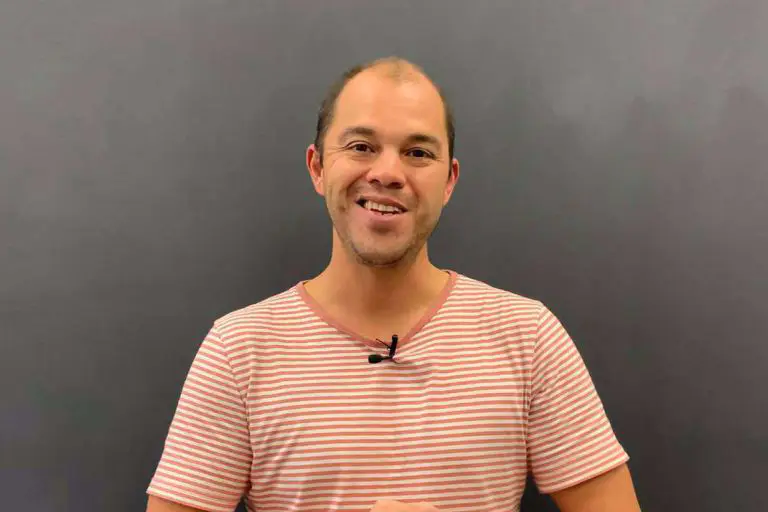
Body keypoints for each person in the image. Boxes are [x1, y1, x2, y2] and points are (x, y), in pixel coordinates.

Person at [146, 57, 642, 512]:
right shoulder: (239, 351)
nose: (387, 173)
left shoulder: (527, 337)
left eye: (417, 152)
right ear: (318, 167)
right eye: (361, 147)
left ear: (449, 181)